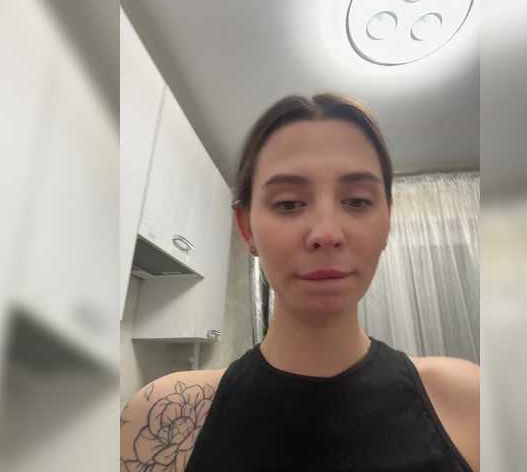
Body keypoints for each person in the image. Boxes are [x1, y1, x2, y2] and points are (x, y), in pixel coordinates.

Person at [120, 93, 480, 471]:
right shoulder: (163, 419)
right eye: (289, 203)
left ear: (387, 222)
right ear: (247, 228)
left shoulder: (468, 402)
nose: (326, 233)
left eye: (357, 201)